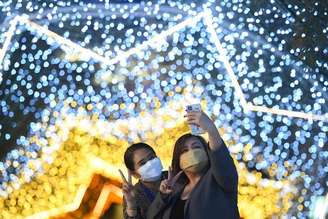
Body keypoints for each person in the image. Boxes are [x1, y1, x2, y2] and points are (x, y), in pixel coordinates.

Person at [147, 110, 240, 219]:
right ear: (178, 161)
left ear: (207, 152)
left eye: (196, 147)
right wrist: (163, 196)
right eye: (184, 151)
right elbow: (150, 216)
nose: (191, 153)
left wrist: (211, 129)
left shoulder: (220, 181)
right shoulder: (174, 190)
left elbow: (221, 158)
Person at [119, 143, 167, 219]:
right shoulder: (133, 194)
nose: (150, 164)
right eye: (143, 163)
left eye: (151, 157)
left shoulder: (176, 177)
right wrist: (132, 206)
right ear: (135, 174)